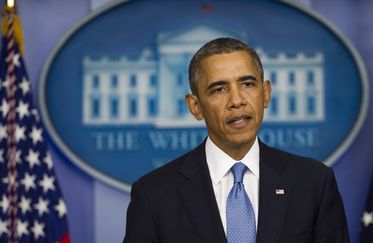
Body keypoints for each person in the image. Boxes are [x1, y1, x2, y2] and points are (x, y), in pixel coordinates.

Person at [123, 38, 350, 243]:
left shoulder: (314, 182)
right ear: (195, 106)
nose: (237, 100)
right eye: (219, 89)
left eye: (247, 84)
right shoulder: (154, 195)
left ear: (266, 93)